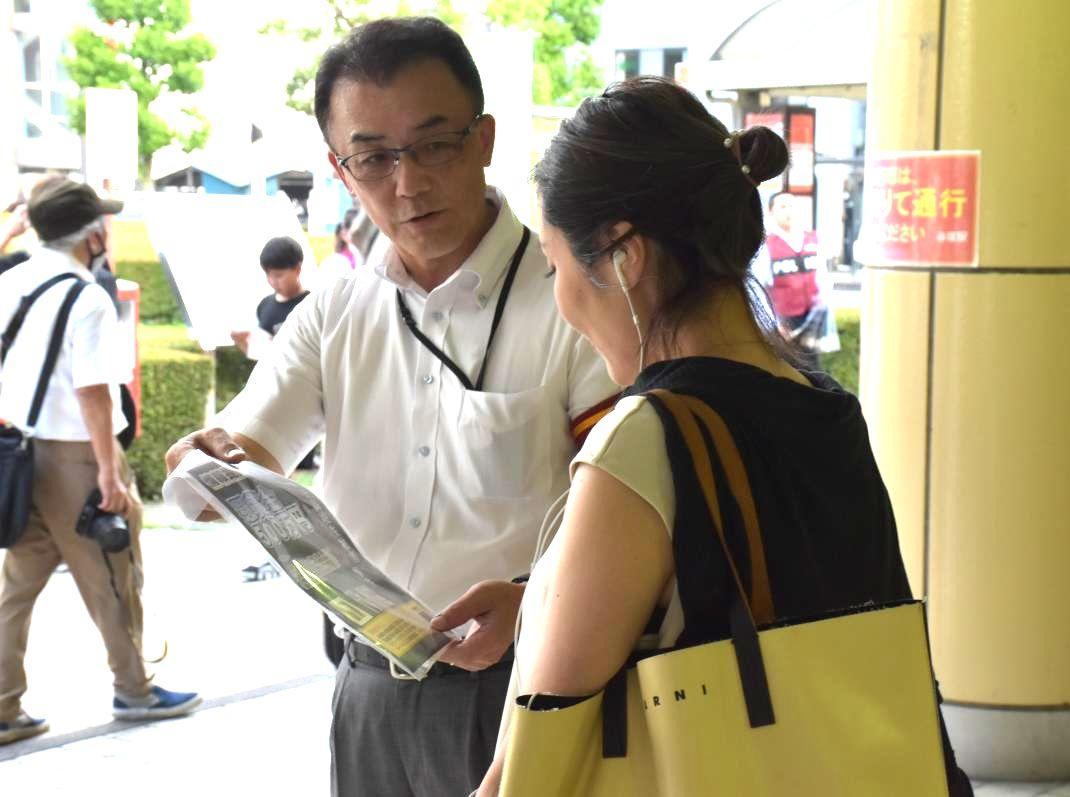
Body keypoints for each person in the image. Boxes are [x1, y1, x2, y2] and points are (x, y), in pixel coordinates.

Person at [476, 77, 972, 795]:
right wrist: (536, 600)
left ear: (623, 255)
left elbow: (535, 758)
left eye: (556, 266)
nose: (559, 300)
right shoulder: (827, 407)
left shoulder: (644, 440)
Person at [164, 17, 617, 797]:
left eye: (434, 145)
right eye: (373, 158)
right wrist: (204, 463)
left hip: (524, 688)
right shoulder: (333, 311)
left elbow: (629, 515)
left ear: (484, 139)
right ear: (342, 170)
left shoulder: (572, 301)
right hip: (364, 686)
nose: (406, 184)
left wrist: (533, 600)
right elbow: (234, 464)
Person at [0, 177, 200, 746]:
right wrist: (109, 471)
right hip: (76, 459)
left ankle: (2, 705)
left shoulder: (12, 281)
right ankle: (134, 689)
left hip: (20, 452)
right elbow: (93, 391)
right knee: (111, 574)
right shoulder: (86, 296)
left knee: (17, 586)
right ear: (90, 236)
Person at [751, 190, 829, 368]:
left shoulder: (812, 239)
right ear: (771, 212)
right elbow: (759, 289)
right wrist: (774, 323)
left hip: (812, 318)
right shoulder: (767, 246)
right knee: (788, 370)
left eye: (792, 206)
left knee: (814, 370)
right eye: (783, 206)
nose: (789, 211)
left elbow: (823, 278)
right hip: (783, 323)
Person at [230, 236, 311, 359]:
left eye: (278, 275)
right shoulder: (264, 305)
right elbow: (262, 359)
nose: (272, 281)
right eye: (268, 274)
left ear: (297, 269)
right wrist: (243, 343)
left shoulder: (311, 304)